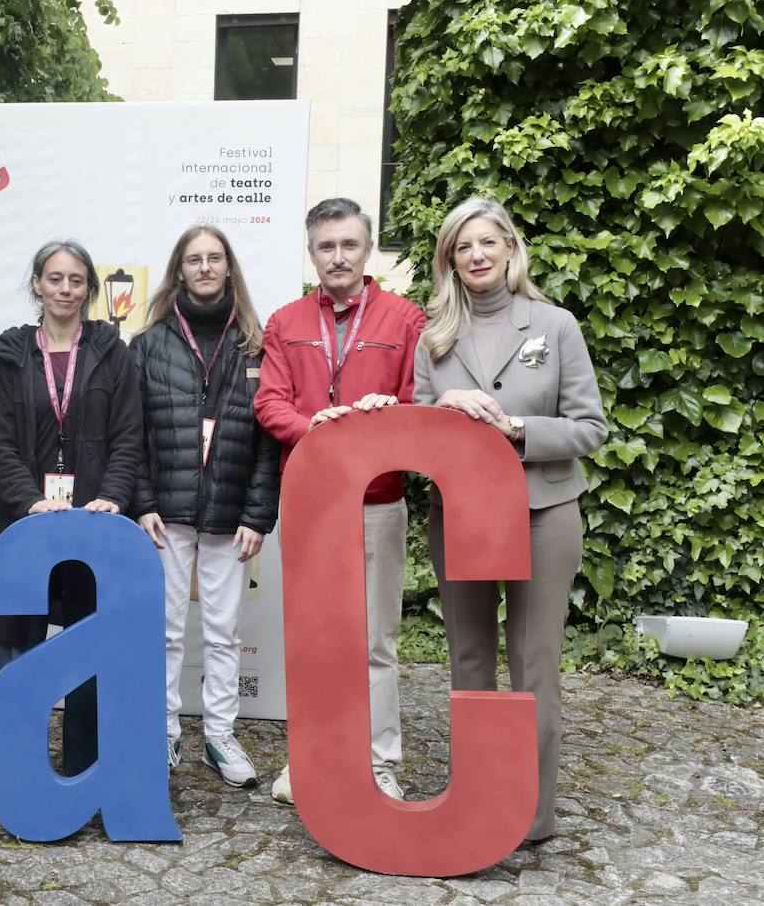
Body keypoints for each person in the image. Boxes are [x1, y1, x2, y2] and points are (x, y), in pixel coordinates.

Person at [413, 196, 606, 842]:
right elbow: (410, 432)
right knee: (469, 661)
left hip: (542, 514)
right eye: (462, 246)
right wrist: (443, 405)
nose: (476, 254)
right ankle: (477, 800)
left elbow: (590, 428)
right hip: (461, 515)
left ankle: (532, 812)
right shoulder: (432, 335)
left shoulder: (555, 325)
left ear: (509, 248)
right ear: (449, 259)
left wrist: (518, 427)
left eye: (487, 242)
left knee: (534, 664)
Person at [255, 197, 426, 804]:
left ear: (368, 249)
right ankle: (309, 762)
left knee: (375, 642)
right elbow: (269, 403)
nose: (338, 256)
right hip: (309, 504)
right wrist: (319, 430)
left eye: (349, 244)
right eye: (326, 246)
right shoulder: (285, 320)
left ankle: (379, 766)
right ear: (312, 252)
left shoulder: (406, 320)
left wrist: (384, 424)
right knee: (315, 640)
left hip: (378, 502)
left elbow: (417, 404)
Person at [0, 240, 143, 774]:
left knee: (89, 636)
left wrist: (112, 497)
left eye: (77, 280)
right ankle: (4, 748)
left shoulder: (113, 353)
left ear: (89, 288)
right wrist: (32, 501)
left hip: (94, 523)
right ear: (37, 284)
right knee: (15, 631)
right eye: (55, 278)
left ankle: (86, 757)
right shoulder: (10, 356)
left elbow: (129, 437)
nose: (65, 289)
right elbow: (0, 444)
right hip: (24, 520)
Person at [130, 225, 280, 787]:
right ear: (180, 269)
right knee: (164, 630)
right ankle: (164, 731)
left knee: (222, 632)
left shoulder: (257, 343)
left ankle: (219, 737)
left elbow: (269, 439)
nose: (205, 267)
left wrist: (257, 514)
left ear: (228, 267)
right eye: (194, 259)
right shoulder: (148, 344)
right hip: (165, 511)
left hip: (230, 511)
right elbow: (133, 433)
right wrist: (140, 500)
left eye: (215, 258)